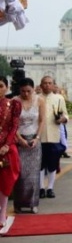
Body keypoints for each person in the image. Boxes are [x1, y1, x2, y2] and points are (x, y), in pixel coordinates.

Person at [13, 78, 45, 213]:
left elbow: (42, 121)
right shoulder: (14, 101)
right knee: (20, 174)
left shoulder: (39, 100)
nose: (26, 94)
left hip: (34, 141)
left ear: (33, 89)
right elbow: (12, 124)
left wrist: (37, 138)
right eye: (23, 91)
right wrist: (20, 139)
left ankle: (33, 203)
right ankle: (18, 204)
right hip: (19, 140)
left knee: (33, 175)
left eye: (28, 91)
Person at [39, 76, 68, 199]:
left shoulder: (59, 98)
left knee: (52, 163)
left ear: (53, 85)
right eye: (45, 83)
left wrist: (62, 119)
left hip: (54, 135)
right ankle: (40, 187)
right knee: (40, 164)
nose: (47, 85)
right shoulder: (36, 98)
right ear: (41, 85)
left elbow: (65, 115)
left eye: (49, 83)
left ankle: (50, 187)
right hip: (39, 136)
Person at [0, 76, 22, 227]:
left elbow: (14, 127)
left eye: (1, 86)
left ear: (6, 87)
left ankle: (2, 214)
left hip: (6, 148)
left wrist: (7, 144)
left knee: (6, 181)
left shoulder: (13, 104)